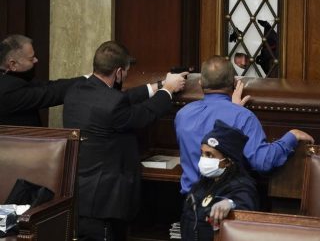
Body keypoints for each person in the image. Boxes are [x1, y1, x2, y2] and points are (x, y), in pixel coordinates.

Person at [63, 40, 187, 241]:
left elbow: (120, 99)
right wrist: (168, 91)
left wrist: (158, 86)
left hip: (79, 191)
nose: (127, 75)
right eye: (127, 71)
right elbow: (143, 114)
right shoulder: (113, 103)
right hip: (105, 199)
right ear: (119, 72)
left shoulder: (76, 91)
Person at [175, 55, 314, 195]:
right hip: (226, 205)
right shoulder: (242, 116)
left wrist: (233, 109)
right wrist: (292, 136)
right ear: (234, 83)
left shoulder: (182, 115)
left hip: (190, 205)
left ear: (200, 83)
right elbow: (264, 162)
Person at [181, 119, 259, 241]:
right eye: (202, 153)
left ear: (228, 161)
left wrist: (230, 203)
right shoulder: (205, 182)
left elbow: (245, 204)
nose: (203, 159)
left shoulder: (241, 185)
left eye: (210, 155)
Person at [0, 34, 85, 126]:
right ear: (13, 64)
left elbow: (48, 86)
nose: (36, 60)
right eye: (31, 59)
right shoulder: (8, 90)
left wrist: (85, 78)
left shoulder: (15, 78)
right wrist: (90, 79)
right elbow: (50, 93)